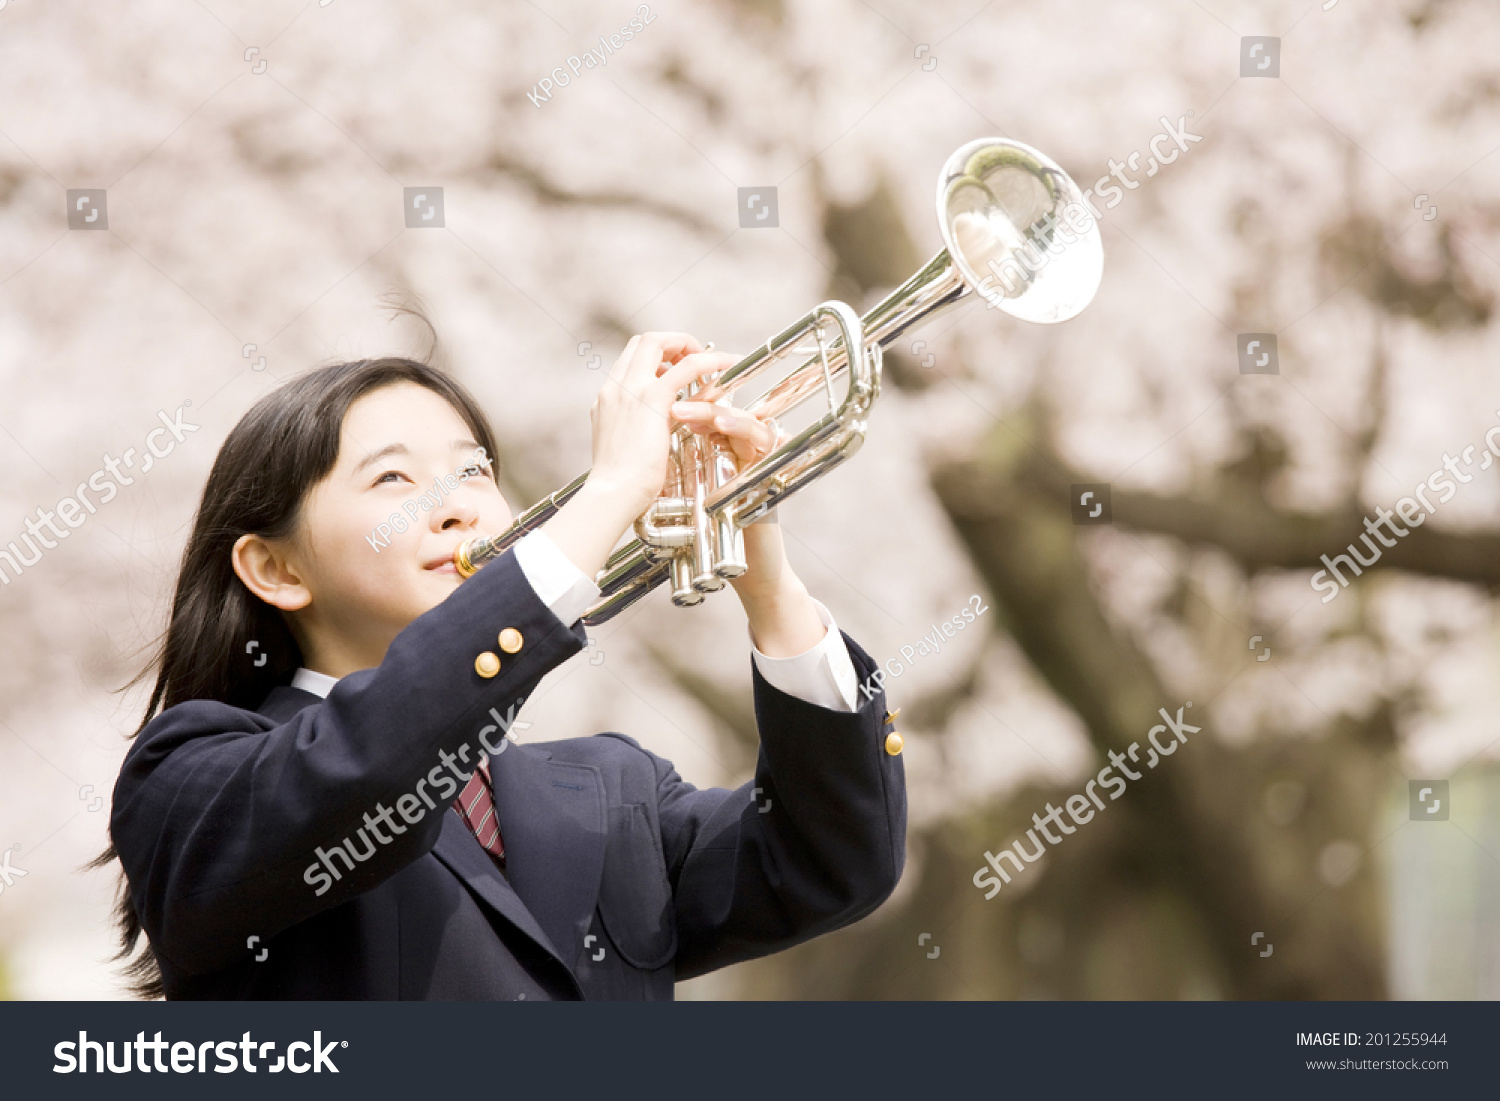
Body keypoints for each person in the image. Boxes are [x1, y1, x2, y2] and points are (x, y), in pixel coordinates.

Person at [100, 333, 906, 999]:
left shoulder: (613, 788)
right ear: (277, 569)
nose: (454, 503)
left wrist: (764, 570)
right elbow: (371, 759)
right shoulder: (190, 777)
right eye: (392, 477)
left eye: (474, 469)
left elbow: (832, 862)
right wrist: (615, 488)